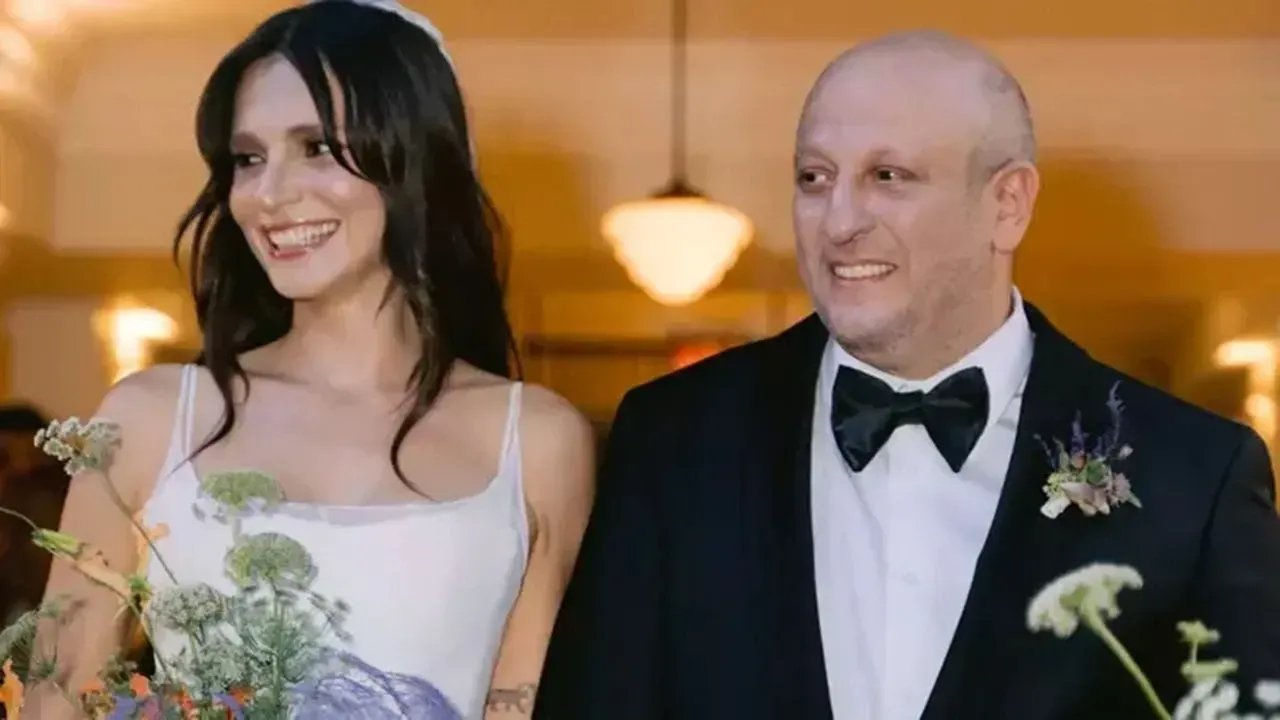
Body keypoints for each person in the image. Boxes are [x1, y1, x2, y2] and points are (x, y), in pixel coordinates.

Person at [536, 30, 1280, 720]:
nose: (839, 222)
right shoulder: (676, 440)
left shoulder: (1193, 478)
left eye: (888, 176)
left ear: (1008, 205)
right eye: (814, 178)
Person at [31, 1, 595, 718]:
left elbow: (524, 704)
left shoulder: (536, 440)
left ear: (414, 160)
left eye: (317, 148)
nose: (269, 195)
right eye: (248, 159)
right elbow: (53, 698)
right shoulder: (150, 419)